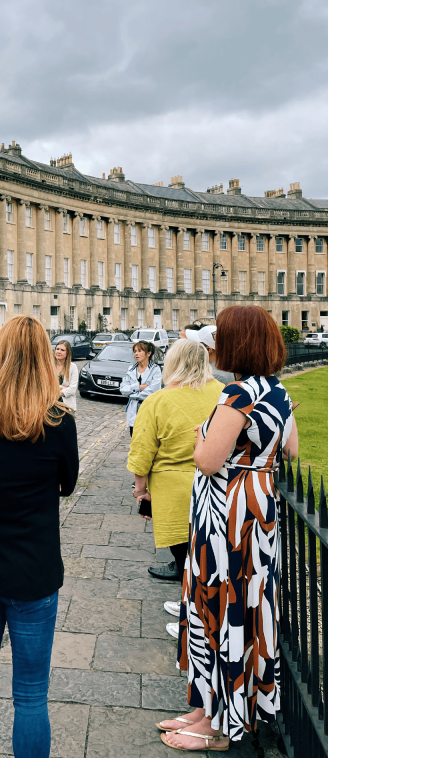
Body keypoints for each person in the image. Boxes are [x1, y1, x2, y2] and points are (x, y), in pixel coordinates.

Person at [159, 306, 296, 752]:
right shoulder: (278, 392)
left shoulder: (237, 394)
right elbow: (289, 450)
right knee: (235, 608)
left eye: (223, 337)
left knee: (217, 607)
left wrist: (203, 432)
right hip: (256, 509)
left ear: (241, 345)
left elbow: (206, 458)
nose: (215, 346)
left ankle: (219, 725)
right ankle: (205, 709)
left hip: (227, 514)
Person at [0, 315, 78, 758]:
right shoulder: (58, 422)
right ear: (45, 360)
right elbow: (67, 484)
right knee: (30, 694)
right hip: (33, 569)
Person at [128, 339, 223, 583]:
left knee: (182, 547)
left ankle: (186, 587)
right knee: (210, 548)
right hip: (217, 482)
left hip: (172, 488)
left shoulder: (157, 401)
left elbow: (142, 452)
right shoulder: (223, 392)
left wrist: (141, 490)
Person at [119, 341, 162, 437]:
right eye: (135, 351)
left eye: (139, 351)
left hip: (148, 409)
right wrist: (138, 387)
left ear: (148, 353)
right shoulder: (131, 369)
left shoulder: (155, 370)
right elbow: (123, 389)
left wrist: (132, 395)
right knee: (134, 439)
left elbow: (153, 391)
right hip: (133, 411)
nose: (136, 354)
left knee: (147, 440)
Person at [53, 339, 79, 409]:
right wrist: (62, 387)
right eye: (57, 349)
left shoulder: (73, 367)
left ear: (67, 353)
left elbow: (72, 389)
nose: (59, 352)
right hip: (50, 406)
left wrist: (54, 392)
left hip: (67, 406)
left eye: (62, 350)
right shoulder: (49, 366)